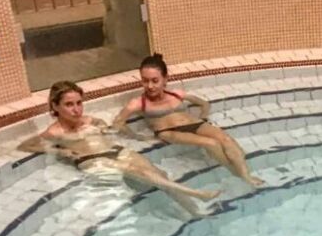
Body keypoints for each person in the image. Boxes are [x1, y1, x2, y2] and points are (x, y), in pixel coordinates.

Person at [19, 81, 221, 217]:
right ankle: (195, 193)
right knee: (139, 172)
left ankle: (195, 212)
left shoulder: (91, 120)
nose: (76, 109)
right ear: (55, 107)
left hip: (116, 152)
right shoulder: (55, 132)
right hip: (94, 161)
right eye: (69, 104)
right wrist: (61, 151)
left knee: (160, 174)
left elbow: (109, 131)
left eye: (79, 103)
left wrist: (116, 129)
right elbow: (25, 145)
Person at [112, 54, 263, 187]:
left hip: (194, 124)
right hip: (167, 132)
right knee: (210, 143)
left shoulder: (176, 94)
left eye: (155, 80)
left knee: (226, 139)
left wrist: (203, 117)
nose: (150, 86)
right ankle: (239, 175)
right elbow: (118, 123)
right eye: (145, 81)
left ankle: (246, 174)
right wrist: (137, 136)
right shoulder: (138, 102)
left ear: (165, 79)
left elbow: (204, 103)